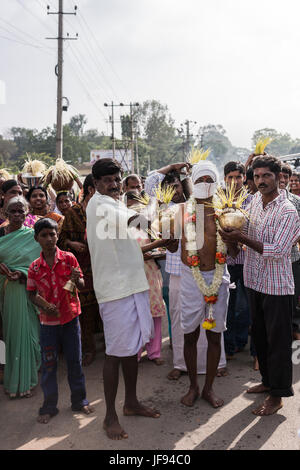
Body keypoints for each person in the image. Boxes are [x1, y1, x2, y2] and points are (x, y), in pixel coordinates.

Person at [220, 155, 300, 416]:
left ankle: (278, 396)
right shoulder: (254, 201)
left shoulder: (288, 210)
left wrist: (240, 237)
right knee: (262, 338)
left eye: (267, 176)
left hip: (277, 286)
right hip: (254, 280)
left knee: (278, 342)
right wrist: (231, 238)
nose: (261, 180)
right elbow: (244, 238)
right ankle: (267, 382)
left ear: (278, 177)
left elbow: (277, 250)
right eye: (257, 176)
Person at [86, 158, 160, 441]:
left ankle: (131, 403)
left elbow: (133, 235)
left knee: (132, 350)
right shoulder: (100, 205)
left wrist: (160, 242)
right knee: (115, 354)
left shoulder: (115, 203)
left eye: (116, 179)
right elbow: (140, 222)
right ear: (95, 184)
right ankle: (109, 416)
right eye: (107, 180)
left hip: (131, 284)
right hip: (115, 290)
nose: (114, 184)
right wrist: (153, 201)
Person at [168, 160, 231, 408]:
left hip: (218, 276)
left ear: (216, 183)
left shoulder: (226, 211)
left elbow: (234, 251)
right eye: (200, 180)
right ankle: (193, 386)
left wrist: (232, 239)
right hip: (190, 278)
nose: (205, 184)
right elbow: (171, 245)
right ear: (192, 183)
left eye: (209, 180)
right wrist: (165, 235)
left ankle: (209, 388)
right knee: (190, 335)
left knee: (215, 336)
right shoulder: (181, 210)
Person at [27, 218, 93, 423]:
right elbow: (31, 293)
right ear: (36, 238)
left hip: (70, 319)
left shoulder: (69, 258)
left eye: (52, 234)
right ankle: (49, 406)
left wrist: (75, 279)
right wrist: (45, 305)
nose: (49, 239)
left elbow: (81, 284)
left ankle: (79, 400)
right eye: (44, 235)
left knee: (75, 362)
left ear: (57, 235)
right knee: (49, 366)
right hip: (48, 324)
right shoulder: (35, 267)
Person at [59, 174, 102, 366]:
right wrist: (72, 243)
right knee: (84, 310)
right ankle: (88, 349)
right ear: (91, 190)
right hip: (81, 267)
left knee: (102, 308)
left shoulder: (103, 211)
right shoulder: (73, 212)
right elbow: (60, 241)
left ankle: (111, 347)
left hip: (102, 265)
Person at [0, 196, 41, 398]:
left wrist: (23, 273)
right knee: (13, 335)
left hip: (27, 290)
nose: (17, 215)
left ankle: (29, 379)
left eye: (20, 211)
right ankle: (15, 382)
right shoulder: (1, 235)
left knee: (31, 334)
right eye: (12, 212)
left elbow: (41, 265)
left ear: (27, 213)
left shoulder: (34, 236)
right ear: (5, 214)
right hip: (9, 292)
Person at [222, 162, 254, 365]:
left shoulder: (253, 201)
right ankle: (228, 346)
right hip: (225, 261)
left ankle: (242, 341)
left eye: (238, 177)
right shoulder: (219, 201)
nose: (234, 181)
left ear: (244, 178)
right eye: (230, 177)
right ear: (224, 179)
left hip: (248, 260)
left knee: (246, 306)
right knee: (227, 305)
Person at [279, 164, 300, 340]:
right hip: (273, 259)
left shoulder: (296, 201)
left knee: (292, 297)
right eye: (282, 176)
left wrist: (289, 240)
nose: (284, 180)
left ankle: (292, 329)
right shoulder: (262, 199)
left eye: (287, 177)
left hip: (292, 257)